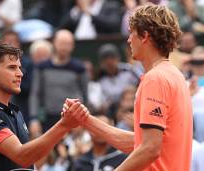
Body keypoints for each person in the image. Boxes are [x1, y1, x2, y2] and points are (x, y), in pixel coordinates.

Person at [64, 4, 193, 171]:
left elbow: (149, 149)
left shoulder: (155, 79)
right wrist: (86, 120)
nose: (128, 39)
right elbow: (139, 143)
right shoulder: (174, 75)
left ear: (145, 36)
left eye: (131, 33)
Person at [0, 40, 85, 171]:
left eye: (19, 68)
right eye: (12, 67)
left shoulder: (16, 113)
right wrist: (64, 125)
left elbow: (29, 161)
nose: (20, 74)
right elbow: (22, 156)